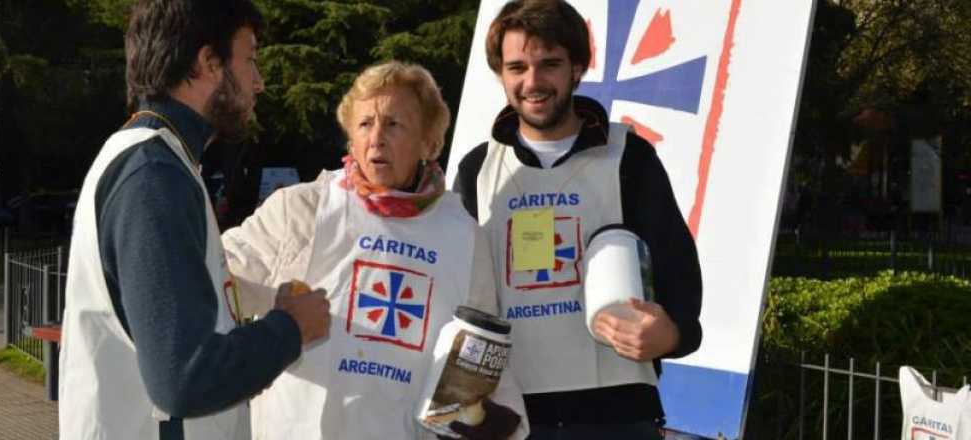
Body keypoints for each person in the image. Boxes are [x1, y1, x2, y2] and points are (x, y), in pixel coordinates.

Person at [58, 1, 330, 439]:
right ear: (208, 62)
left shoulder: (160, 160)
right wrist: (291, 329)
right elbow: (185, 377)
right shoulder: (154, 176)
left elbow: (183, 302)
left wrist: (264, 301)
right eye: (251, 59)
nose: (258, 82)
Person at [222, 61, 528, 439]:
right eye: (365, 124)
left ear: (429, 143)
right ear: (350, 137)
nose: (377, 138)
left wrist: (478, 411)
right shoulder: (299, 210)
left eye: (394, 124)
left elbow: (480, 359)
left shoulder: (465, 237)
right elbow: (217, 277)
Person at [452, 1, 703, 438]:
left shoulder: (630, 157)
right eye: (517, 67)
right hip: (514, 417)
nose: (532, 82)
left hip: (617, 415)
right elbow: (457, 289)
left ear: (577, 67)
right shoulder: (478, 169)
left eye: (549, 64)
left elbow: (678, 268)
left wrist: (676, 334)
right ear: (501, 75)